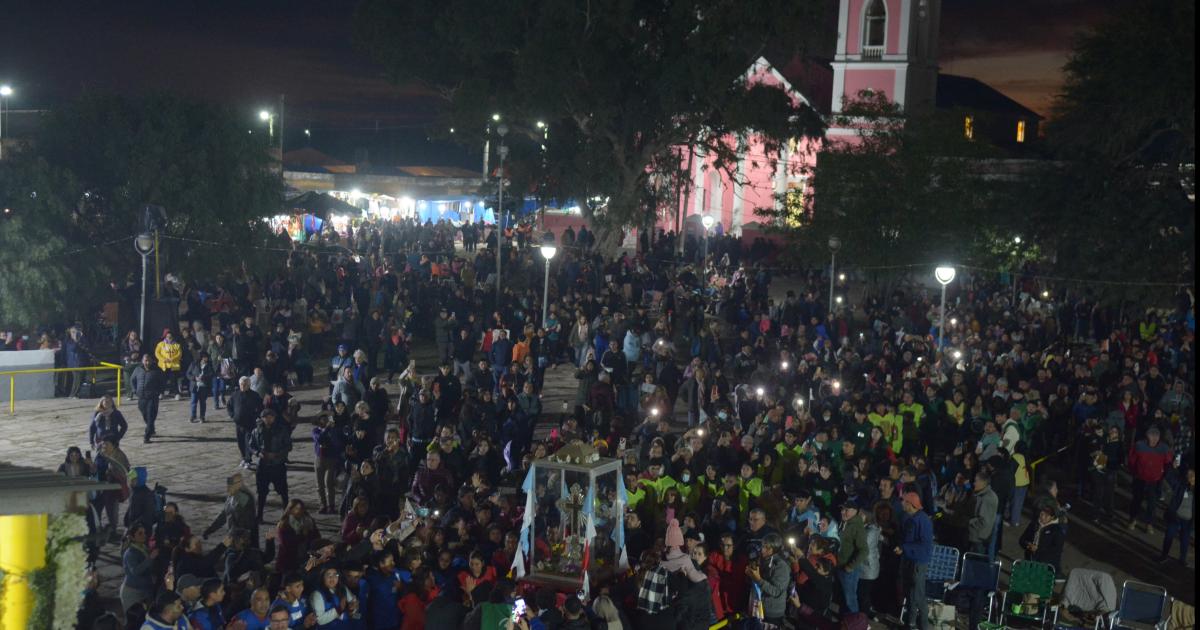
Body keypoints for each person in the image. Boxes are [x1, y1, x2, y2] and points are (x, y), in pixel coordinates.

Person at [896, 491, 933, 630]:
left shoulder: (923, 520)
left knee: (917, 595)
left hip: (918, 562)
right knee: (912, 594)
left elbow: (924, 544)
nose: (901, 503)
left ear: (910, 504)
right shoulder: (910, 517)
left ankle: (922, 626)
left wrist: (904, 547)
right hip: (909, 559)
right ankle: (911, 624)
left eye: (904, 501)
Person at [1127, 427, 1173, 533]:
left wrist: (1162, 476)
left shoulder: (1163, 448)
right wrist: (1135, 473)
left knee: (1152, 504)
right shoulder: (1139, 446)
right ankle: (1133, 519)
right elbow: (1131, 461)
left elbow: (1168, 463)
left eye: (1156, 435)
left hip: (1154, 480)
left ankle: (1149, 523)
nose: (1153, 438)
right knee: (1136, 501)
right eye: (1151, 435)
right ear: (1147, 436)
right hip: (1140, 479)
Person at [250, 408, 293, 520]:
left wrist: (278, 454)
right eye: (265, 417)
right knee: (261, 492)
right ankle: (259, 515)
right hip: (263, 466)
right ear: (262, 418)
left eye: (270, 417)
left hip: (278, 465)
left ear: (274, 418)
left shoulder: (281, 430)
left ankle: (286, 515)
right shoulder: (256, 431)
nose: (268, 419)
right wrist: (258, 453)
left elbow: (288, 446)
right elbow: (251, 445)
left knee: (283, 491)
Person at [745, 532, 790, 627]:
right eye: (762, 546)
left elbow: (776, 591)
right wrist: (751, 575)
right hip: (758, 608)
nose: (762, 550)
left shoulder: (781, 566)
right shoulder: (762, 560)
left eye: (766, 547)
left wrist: (758, 579)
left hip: (771, 612)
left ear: (773, 549)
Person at [837, 499, 869, 615]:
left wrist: (850, 566)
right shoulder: (846, 522)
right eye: (842, 509)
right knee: (844, 597)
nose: (843, 512)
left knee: (850, 598)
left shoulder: (857, 527)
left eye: (847, 510)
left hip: (849, 569)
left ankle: (855, 623)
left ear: (855, 511)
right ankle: (844, 620)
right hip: (841, 566)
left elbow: (864, 550)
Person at [1157, 466, 1195, 566]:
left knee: (1185, 540)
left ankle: (1182, 559)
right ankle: (1164, 556)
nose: (1189, 477)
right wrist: (1171, 467)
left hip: (1188, 520)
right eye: (1188, 475)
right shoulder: (1181, 486)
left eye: (1192, 476)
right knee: (1169, 536)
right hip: (1176, 517)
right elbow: (1170, 478)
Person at [121, 523, 159, 613]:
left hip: (145, 590)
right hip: (133, 592)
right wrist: (151, 558)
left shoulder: (143, 547)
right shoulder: (130, 553)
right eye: (140, 533)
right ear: (132, 537)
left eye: (144, 533)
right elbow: (136, 571)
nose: (144, 535)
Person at [1019, 506, 1066, 574]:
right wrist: (1028, 545)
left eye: (1047, 515)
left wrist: (1037, 550)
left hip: (1044, 567)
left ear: (1052, 517)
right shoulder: (1034, 524)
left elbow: (1056, 551)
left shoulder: (1057, 531)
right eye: (1042, 514)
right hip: (1029, 561)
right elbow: (1022, 540)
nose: (1043, 517)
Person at [130, 354, 166, 443]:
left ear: (152, 361)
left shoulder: (157, 370)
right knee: (145, 414)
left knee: (150, 416)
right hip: (141, 397)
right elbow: (132, 380)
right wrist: (134, 390)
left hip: (152, 397)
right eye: (145, 360)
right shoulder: (138, 369)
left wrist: (160, 392)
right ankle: (151, 427)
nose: (147, 362)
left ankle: (147, 435)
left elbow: (163, 382)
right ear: (142, 361)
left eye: (149, 360)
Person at [155, 329, 183, 400]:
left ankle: (176, 393)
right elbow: (157, 353)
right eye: (167, 336)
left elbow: (179, 354)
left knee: (173, 380)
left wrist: (173, 358)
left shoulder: (177, 345)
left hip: (173, 366)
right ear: (165, 337)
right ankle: (161, 393)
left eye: (170, 336)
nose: (169, 338)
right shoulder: (161, 344)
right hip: (163, 366)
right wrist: (163, 359)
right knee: (162, 380)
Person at [187, 353, 215, 423]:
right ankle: (193, 416)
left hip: (204, 387)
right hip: (194, 386)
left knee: (203, 403)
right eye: (205, 358)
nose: (206, 359)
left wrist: (204, 377)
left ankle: (202, 417)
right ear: (201, 358)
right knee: (193, 402)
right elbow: (188, 374)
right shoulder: (194, 364)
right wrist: (194, 378)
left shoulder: (209, 365)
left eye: (207, 358)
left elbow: (211, 374)